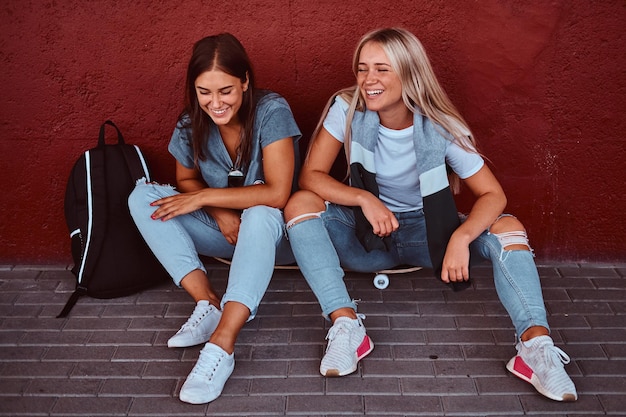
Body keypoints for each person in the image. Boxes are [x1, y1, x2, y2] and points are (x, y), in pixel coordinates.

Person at [284, 27, 577, 402]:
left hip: (430, 237)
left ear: (409, 73)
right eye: (362, 69)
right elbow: (311, 176)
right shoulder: (349, 108)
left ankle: (536, 351)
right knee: (300, 203)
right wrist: (363, 199)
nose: (368, 80)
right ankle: (346, 327)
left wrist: (461, 237)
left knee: (508, 228)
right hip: (365, 233)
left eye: (382, 70)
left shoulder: (440, 126)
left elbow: (492, 194)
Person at [128, 33, 301, 404]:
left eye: (225, 91)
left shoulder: (272, 111)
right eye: (204, 92)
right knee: (143, 197)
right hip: (227, 232)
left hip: (274, 236)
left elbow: (277, 193)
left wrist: (206, 197)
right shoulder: (192, 122)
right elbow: (186, 180)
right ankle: (207, 303)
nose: (215, 103)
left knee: (259, 212)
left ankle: (222, 345)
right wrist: (220, 213)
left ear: (245, 81)